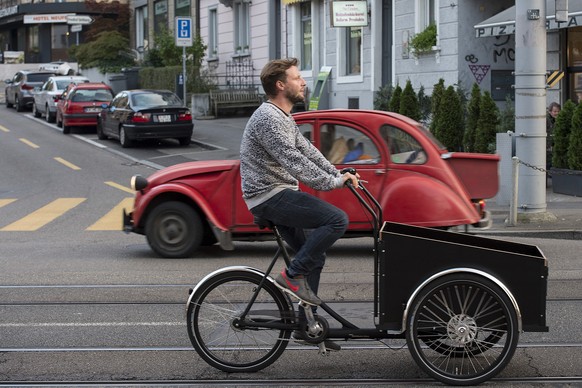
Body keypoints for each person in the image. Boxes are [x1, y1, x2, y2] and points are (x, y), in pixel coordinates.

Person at [240, 58, 358, 349]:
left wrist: (337, 173)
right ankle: (291, 276)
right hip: (269, 195)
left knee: (314, 256)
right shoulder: (268, 118)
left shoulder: (283, 117)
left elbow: (309, 151)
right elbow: (293, 161)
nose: (303, 82)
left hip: (275, 192)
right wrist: (331, 183)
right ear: (281, 85)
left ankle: (308, 326)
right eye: (296, 78)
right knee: (336, 220)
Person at [546, 102, 561, 169]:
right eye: (554, 111)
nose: (557, 113)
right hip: (548, 148)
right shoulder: (546, 120)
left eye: (558, 111)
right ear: (550, 111)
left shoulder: (559, 120)